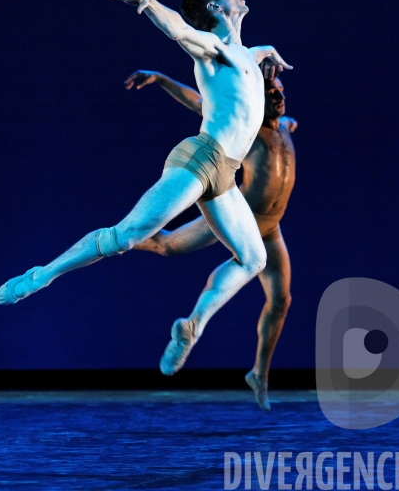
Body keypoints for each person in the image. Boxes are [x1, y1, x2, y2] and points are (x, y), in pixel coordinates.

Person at [0, 0, 292, 384]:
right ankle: (42, 274)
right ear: (214, 8)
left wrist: (267, 51)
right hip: (202, 158)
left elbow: (253, 54)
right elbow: (181, 31)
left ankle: (192, 326)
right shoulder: (214, 49)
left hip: (225, 174)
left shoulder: (245, 53)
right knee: (127, 235)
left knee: (254, 258)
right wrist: (149, 4)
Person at [126, 70, 297, 411]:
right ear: (256, 100)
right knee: (167, 245)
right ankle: (120, 235)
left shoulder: (287, 127)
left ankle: (259, 375)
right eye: (272, 93)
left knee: (281, 300)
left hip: (271, 229)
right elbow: (200, 103)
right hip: (239, 221)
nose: (279, 97)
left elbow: (285, 120)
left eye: (280, 91)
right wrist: (162, 79)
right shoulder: (246, 130)